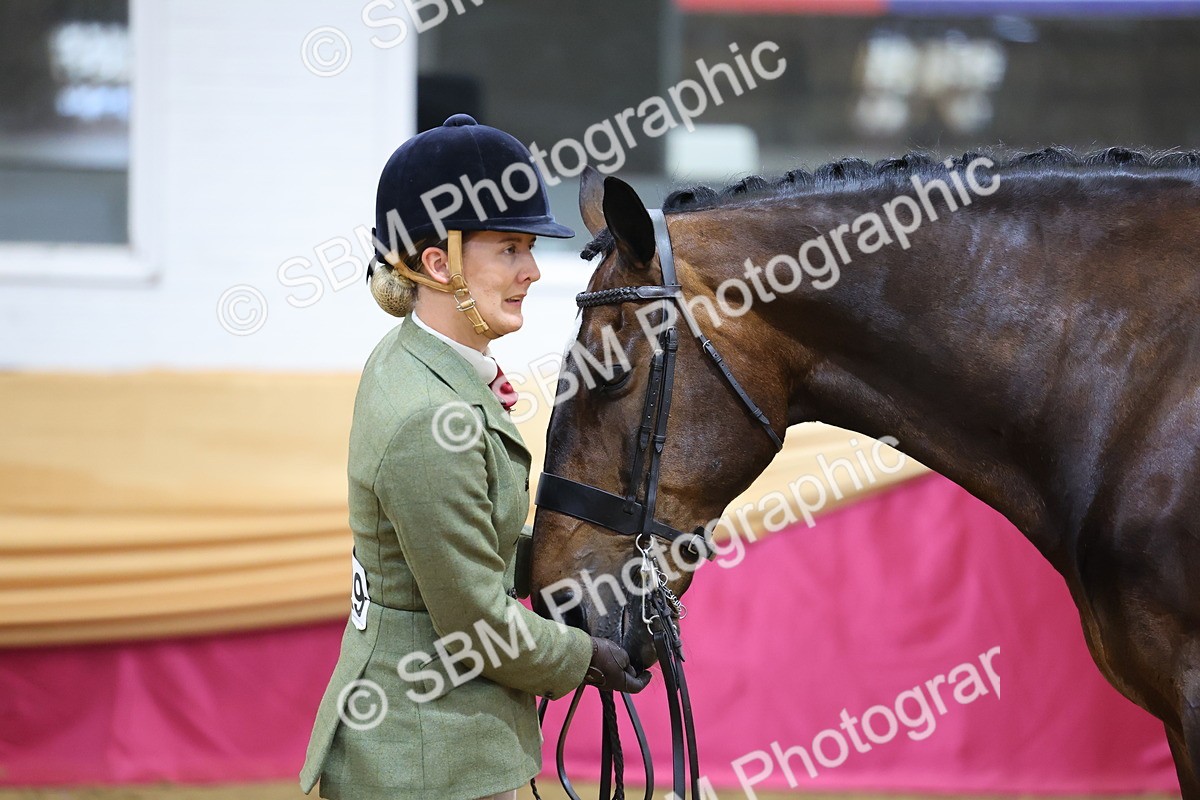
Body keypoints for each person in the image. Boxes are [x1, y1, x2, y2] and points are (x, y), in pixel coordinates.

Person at [299, 114, 651, 800]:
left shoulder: (419, 361)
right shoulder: (431, 419)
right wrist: (588, 658)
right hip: (430, 758)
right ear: (440, 263)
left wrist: (593, 566)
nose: (531, 271)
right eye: (511, 248)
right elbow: (478, 624)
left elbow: (467, 546)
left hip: (440, 742)